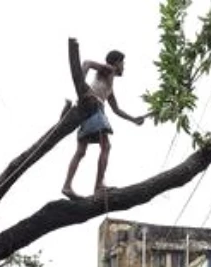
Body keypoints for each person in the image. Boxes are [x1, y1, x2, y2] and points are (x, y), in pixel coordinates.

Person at [61, 49, 147, 199]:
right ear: (116, 63)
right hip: (93, 107)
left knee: (81, 151)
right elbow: (87, 63)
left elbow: (116, 109)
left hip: (88, 110)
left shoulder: (109, 85)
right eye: (123, 63)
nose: (123, 67)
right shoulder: (108, 69)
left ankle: (67, 186)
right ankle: (99, 186)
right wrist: (81, 88)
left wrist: (134, 119)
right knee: (106, 146)